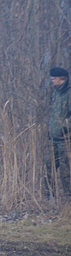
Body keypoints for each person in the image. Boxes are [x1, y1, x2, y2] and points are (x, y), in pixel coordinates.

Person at [47, 67, 71, 198]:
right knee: (48, 166)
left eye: (53, 79)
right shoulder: (57, 92)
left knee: (66, 171)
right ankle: (48, 196)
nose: (52, 82)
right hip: (53, 138)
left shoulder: (69, 93)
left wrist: (64, 127)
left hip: (66, 140)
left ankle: (68, 200)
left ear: (60, 79)